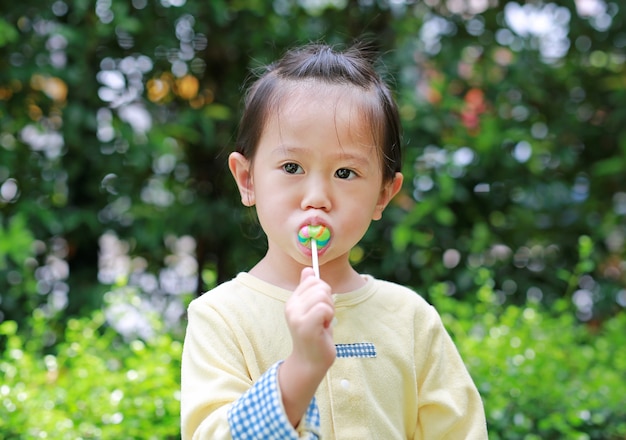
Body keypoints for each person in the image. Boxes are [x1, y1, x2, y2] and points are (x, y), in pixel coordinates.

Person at [180, 42, 488, 439]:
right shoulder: (221, 318)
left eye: (345, 173)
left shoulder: (411, 319)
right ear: (247, 179)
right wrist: (301, 370)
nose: (317, 197)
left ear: (383, 194)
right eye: (292, 167)